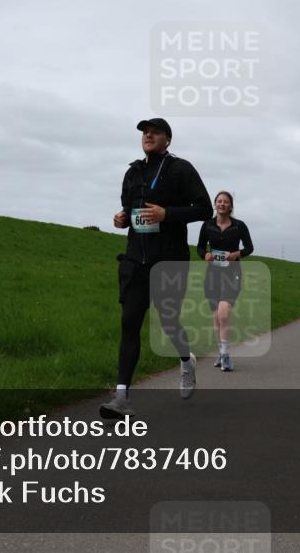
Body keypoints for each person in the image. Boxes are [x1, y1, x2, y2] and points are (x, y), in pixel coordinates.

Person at [100, 118, 212, 419]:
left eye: (155, 132)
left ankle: (186, 361)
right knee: (129, 321)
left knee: (168, 321)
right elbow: (130, 208)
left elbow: (204, 209)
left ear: (168, 139)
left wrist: (167, 214)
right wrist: (122, 218)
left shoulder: (181, 169)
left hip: (169, 259)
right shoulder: (133, 172)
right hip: (136, 259)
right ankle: (121, 397)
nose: (148, 135)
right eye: (145, 132)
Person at [196, 191, 254, 372]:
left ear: (230, 206)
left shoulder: (239, 226)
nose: (222, 204)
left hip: (232, 273)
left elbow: (249, 248)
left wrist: (237, 254)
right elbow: (199, 247)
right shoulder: (207, 225)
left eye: (226, 202)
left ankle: (226, 355)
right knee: (216, 317)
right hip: (213, 274)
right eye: (219, 201)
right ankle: (220, 353)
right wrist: (204, 254)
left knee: (223, 313)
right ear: (215, 205)